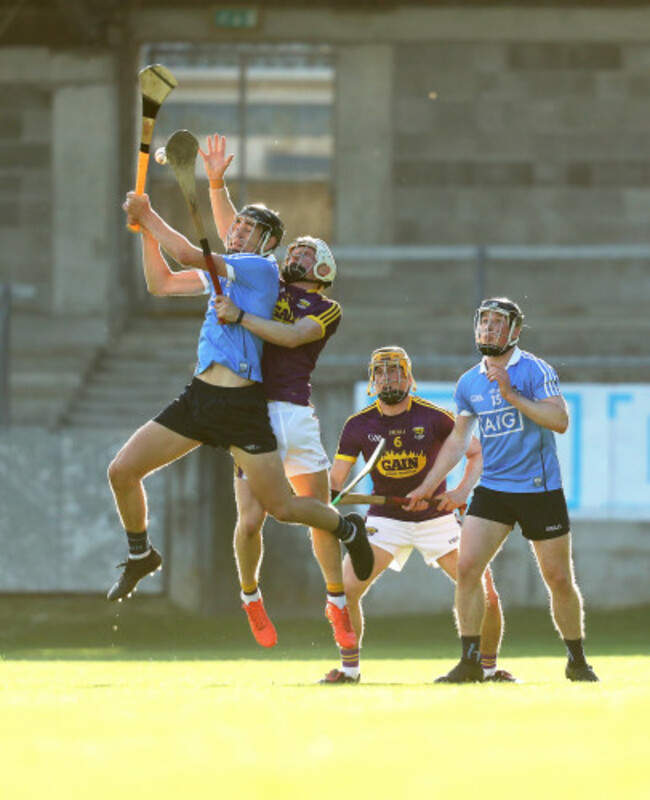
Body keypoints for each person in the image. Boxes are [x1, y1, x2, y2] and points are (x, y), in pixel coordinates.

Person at [106, 191, 373, 604]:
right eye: (237, 225)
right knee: (122, 471)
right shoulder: (229, 274)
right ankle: (141, 552)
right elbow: (160, 283)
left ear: (269, 244)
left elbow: (188, 253)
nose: (239, 230)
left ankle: (347, 528)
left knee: (282, 508)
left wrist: (149, 214)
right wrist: (146, 233)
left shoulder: (260, 268)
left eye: (251, 228)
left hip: (240, 408)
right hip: (198, 399)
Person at [198, 133, 355, 651]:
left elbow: (290, 337)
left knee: (318, 515)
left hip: (295, 412)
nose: (297, 254)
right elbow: (231, 237)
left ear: (323, 270)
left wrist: (241, 316)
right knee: (249, 521)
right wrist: (217, 183)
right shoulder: (267, 280)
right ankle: (250, 596)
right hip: (252, 412)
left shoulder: (325, 308)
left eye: (308, 253)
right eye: (296, 249)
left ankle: (335, 601)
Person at [406, 298, 599, 683]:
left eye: (499, 323)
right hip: (493, 489)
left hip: (539, 489)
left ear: (514, 331)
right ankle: (470, 661)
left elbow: (559, 420)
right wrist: (429, 485)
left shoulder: (534, 370)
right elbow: (459, 441)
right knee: (466, 568)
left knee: (558, 578)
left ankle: (577, 660)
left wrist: (512, 396)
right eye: (485, 322)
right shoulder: (469, 381)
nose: (489, 329)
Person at [320, 346, 516, 685]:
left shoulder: (433, 416)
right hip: (385, 520)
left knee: (487, 593)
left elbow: (476, 453)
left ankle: (488, 669)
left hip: (436, 518)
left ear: (409, 378)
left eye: (395, 371)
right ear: (373, 380)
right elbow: (337, 481)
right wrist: (313, 490)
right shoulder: (358, 425)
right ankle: (349, 670)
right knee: (346, 589)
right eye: (381, 373)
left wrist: (460, 493)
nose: (388, 378)